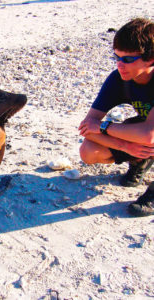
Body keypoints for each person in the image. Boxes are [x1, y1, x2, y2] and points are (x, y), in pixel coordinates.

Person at [78, 18, 154, 217]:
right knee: (89, 151)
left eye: (128, 59)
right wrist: (126, 147)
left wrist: (104, 127)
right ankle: (141, 161)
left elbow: (149, 135)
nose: (120, 64)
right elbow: (87, 127)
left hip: (151, 131)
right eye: (117, 57)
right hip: (147, 127)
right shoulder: (118, 79)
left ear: (151, 58)